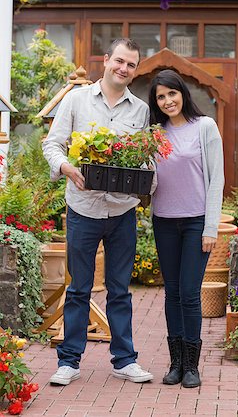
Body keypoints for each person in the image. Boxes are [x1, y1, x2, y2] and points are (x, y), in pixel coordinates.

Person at [43, 38, 154, 386]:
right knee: (79, 288)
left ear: (135, 71)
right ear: (106, 60)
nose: (123, 68)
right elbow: (52, 143)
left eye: (131, 65)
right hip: (83, 208)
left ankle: (124, 360)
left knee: (120, 289)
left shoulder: (140, 110)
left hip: (123, 211)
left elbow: (145, 157)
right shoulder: (77, 100)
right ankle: (69, 361)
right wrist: (66, 168)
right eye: (119, 61)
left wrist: (147, 184)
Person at [148, 69, 224, 388]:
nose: (168, 101)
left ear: (183, 93)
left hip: (195, 223)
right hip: (163, 220)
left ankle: (192, 365)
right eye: (161, 97)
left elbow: (216, 178)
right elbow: (151, 180)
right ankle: (176, 362)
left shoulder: (204, 126)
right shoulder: (155, 134)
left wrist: (210, 227)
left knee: (190, 294)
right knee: (172, 292)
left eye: (172, 93)